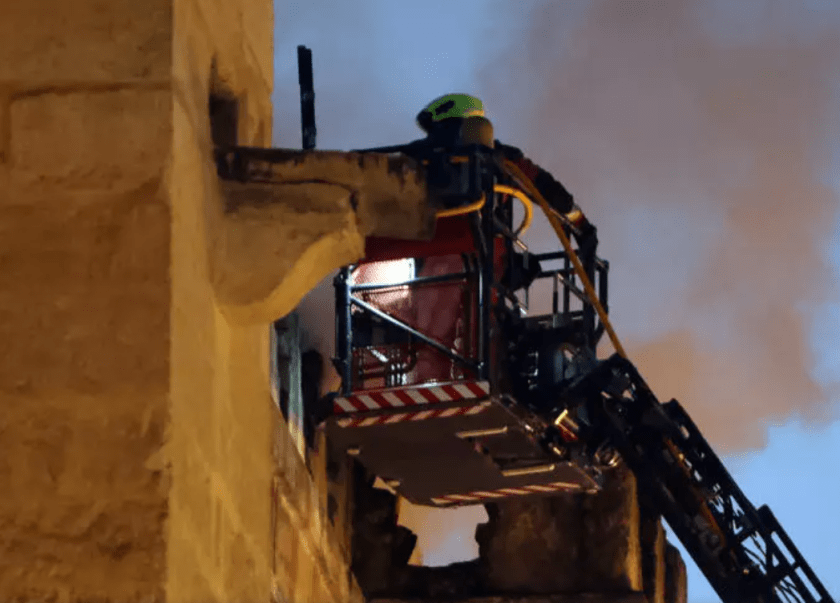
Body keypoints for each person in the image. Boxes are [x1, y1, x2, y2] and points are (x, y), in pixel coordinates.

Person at [414, 93, 599, 268]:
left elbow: (546, 190)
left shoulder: (416, 159)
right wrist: (582, 225)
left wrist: (580, 223)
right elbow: (545, 189)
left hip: (460, 257)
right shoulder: (501, 161)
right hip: (460, 258)